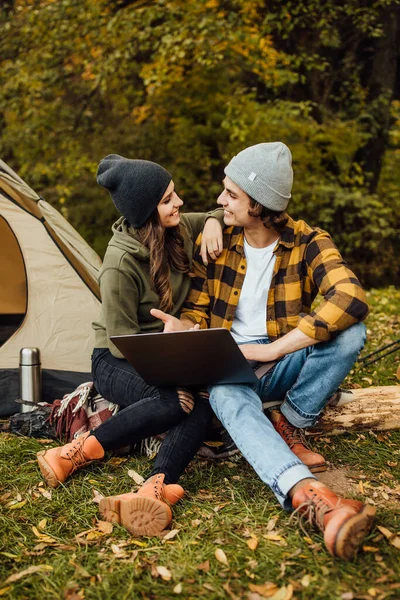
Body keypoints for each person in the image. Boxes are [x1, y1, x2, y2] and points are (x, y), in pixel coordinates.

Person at [150, 142, 375, 561]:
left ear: (260, 204)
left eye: (231, 194)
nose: (219, 201)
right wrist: (187, 328)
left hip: (280, 355)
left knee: (350, 333)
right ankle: (312, 498)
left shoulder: (308, 241)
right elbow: (198, 308)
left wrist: (272, 348)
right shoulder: (216, 241)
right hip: (230, 364)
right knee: (224, 395)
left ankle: (288, 420)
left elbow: (351, 296)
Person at [37, 154, 224, 536]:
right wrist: (172, 347)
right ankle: (76, 453)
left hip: (164, 352)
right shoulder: (119, 265)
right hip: (116, 358)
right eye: (169, 199)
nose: (179, 203)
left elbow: (218, 213)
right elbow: (124, 344)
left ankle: (153, 488)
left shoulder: (178, 230)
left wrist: (210, 222)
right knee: (178, 400)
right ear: (147, 211)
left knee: (202, 394)